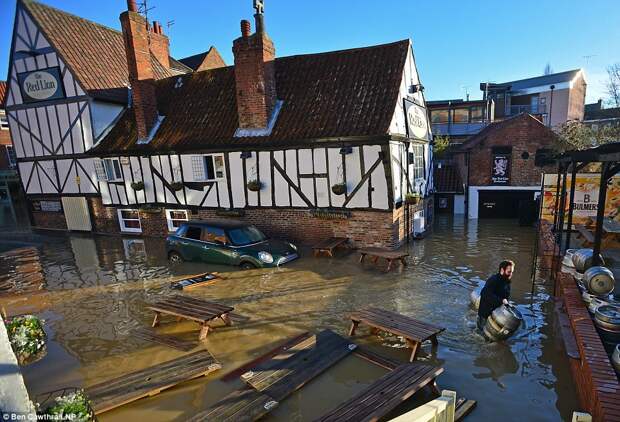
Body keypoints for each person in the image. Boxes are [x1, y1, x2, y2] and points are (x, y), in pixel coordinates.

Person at [477, 260, 514, 330]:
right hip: (484, 315)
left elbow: (505, 297)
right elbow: (484, 294)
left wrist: (507, 303)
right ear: (502, 270)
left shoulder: (507, 282)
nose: (511, 274)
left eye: (512, 272)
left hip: (496, 314)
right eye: (509, 272)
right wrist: (501, 300)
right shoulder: (493, 280)